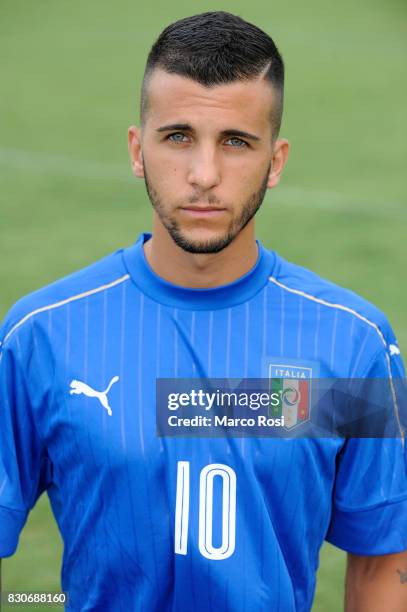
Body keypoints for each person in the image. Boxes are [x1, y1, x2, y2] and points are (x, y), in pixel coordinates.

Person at [0, 11, 406, 611]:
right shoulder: (40, 336)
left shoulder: (354, 343)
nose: (204, 175)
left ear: (277, 161)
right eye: (178, 137)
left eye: (236, 142)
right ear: (138, 150)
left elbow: (381, 561)